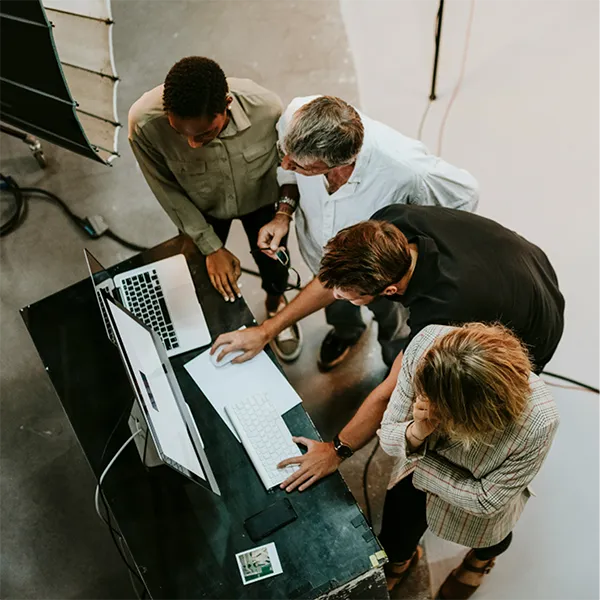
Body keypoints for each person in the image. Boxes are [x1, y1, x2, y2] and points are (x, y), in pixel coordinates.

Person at [332, 323, 558, 598]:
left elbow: (486, 499)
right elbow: (389, 434)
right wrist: (415, 432)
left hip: (473, 494)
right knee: (395, 536)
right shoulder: (427, 344)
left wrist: (418, 461)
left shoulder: (540, 421)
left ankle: (479, 561)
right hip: (416, 474)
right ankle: (399, 562)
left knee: (491, 539)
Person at [256, 95, 479, 369]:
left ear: (340, 163)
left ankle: (394, 363)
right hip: (319, 256)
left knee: (394, 325)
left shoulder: (408, 170)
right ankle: (346, 332)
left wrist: (396, 256)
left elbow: (463, 198)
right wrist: (283, 213)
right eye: (285, 153)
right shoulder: (296, 117)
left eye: (302, 167)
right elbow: (287, 169)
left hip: (377, 278)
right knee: (336, 306)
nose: (287, 165)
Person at [128, 56, 301, 361]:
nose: (193, 145)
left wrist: (282, 214)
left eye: (205, 134)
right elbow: (165, 188)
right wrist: (210, 247)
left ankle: (276, 303)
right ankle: (216, 327)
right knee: (202, 271)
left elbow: (290, 163)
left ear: (228, 104)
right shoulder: (144, 125)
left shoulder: (268, 109)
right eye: (181, 134)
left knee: (275, 266)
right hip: (199, 209)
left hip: (260, 201)